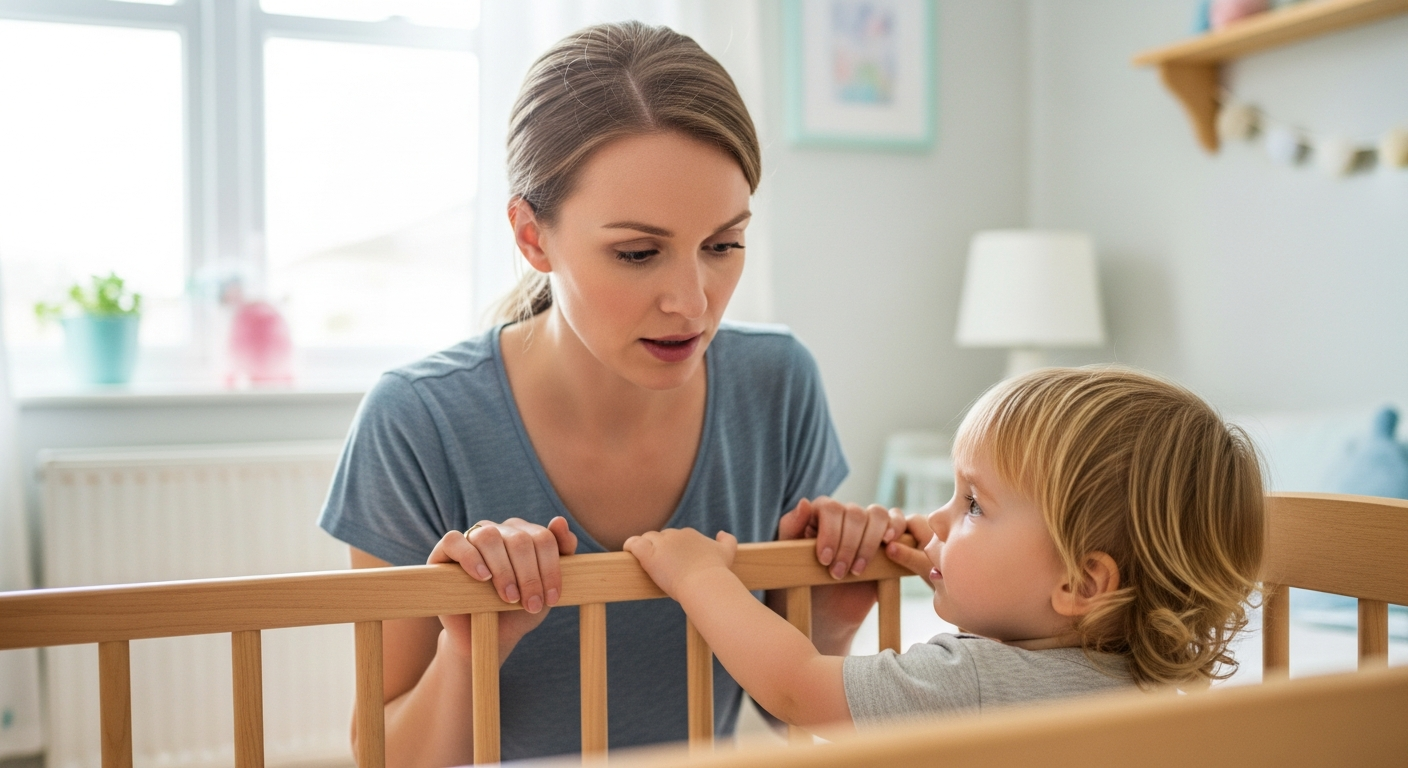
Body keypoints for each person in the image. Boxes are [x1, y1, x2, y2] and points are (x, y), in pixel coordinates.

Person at [317, 21, 905, 764]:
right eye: (637, 253)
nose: (693, 303)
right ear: (532, 236)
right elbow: (386, 757)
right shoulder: (416, 421)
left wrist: (829, 616)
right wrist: (470, 653)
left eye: (723, 245)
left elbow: (780, 702)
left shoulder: (778, 384)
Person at [625, 366, 1266, 728]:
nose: (935, 518)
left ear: (1080, 583)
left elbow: (794, 688)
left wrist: (700, 577)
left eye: (974, 505)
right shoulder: (1147, 693)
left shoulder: (976, 681)